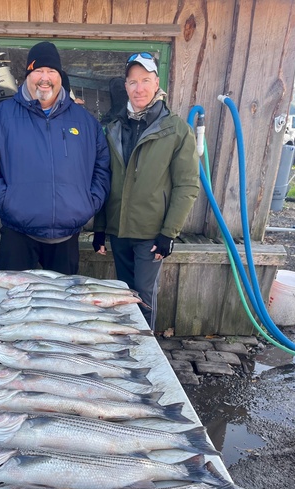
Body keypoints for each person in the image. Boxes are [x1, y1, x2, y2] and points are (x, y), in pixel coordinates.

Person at [0, 41, 110, 274]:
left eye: (52, 71)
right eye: (38, 71)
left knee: (62, 306)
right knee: (13, 305)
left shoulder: (85, 122)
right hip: (18, 233)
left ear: (60, 76)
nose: (45, 77)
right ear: (27, 75)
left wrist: (88, 203)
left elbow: (102, 166)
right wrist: (6, 200)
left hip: (67, 235)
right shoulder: (0, 117)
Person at [93, 52, 199, 329]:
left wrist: (168, 233)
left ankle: (145, 349)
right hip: (119, 230)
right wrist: (101, 228)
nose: (139, 88)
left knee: (143, 293)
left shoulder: (176, 130)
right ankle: (126, 346)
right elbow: (106, 179)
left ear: (156, 84)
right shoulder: (114, 127)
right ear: (125, 87)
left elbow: (187, 185)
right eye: (132, 82)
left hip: (151, 234)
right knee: (124, 293)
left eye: (145, 80)